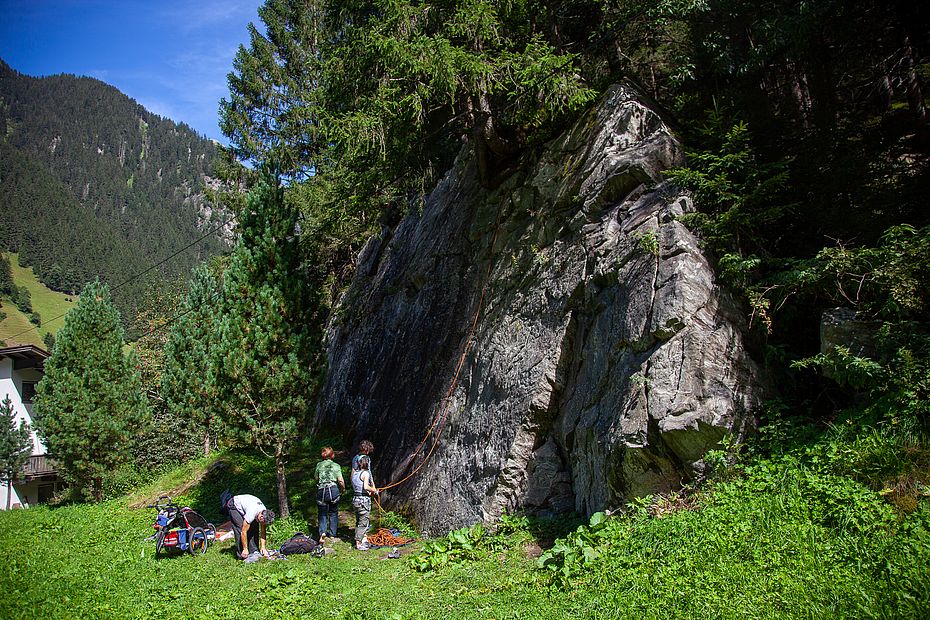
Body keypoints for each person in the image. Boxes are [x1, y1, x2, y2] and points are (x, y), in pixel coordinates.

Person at [227, 493, 275, 560]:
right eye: (263, 522)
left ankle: (254, 551)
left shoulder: (265, 514)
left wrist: (263, 547)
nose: (263, 524)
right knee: (240, 527)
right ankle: (242, 555)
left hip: (248, 504)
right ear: (261, 517)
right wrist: (245, 549)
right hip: (234, 504)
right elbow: (243, 532)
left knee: (254, 527)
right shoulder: (252, 512)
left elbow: (263, 531)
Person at [315, 446, 345, 542]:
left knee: (322, 513)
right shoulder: (336, 466)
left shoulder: (319, 465)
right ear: (332, 455)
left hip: (322, 490)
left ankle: (322, 533)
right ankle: (332, 534)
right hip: (333, 490)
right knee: (333, 512)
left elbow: (316, 477)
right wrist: (343, 489)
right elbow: (340, 480)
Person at [351, 454, 378, 550]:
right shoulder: (365, 473)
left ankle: (359, 539)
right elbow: (366, 487)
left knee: (359, 520)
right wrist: (374, 490)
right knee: (363, 522)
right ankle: (359, 543)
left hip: (355, 499)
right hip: (363, 501)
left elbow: (359, 487)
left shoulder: (355, 473)